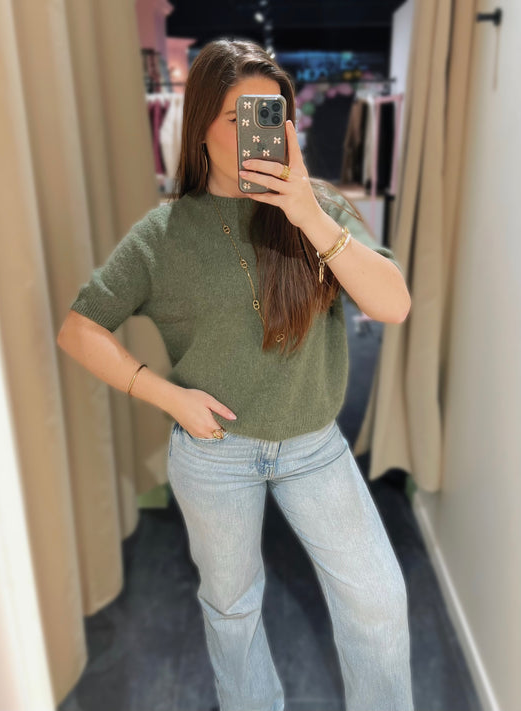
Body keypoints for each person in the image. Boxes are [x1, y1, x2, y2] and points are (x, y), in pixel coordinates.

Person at [57, 38, 414, 711]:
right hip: (214, 453)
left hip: (313, 446)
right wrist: (166, 395)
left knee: (377, 598)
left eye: (272, 115)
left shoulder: (318, 208)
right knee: (231, 607)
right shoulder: (163, 234)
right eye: (238, 117)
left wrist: (307, 214)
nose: (260, 133)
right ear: (199, 126)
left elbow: (392, 305)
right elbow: (79, 328)